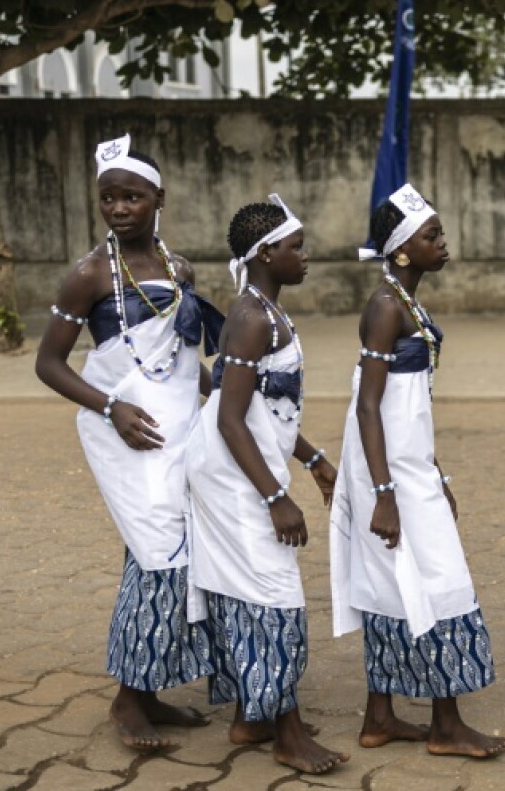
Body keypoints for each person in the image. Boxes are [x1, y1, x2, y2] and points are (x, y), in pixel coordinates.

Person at [35, 134, 224, 751]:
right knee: (159, 554)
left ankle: (146, 692)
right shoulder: (90, 274)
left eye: (132, 197)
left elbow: (182, 358)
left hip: (178, 431)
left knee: (167, 556)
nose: (118, 208)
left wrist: (223, 396)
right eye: (108, 198)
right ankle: (126, 701)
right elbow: (48, 364)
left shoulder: (179, 268)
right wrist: (111, 407)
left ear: (158, 199)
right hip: (126, 434)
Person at [328, 185, 505, 759]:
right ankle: (446, 727)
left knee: (392, 583)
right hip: (385, 472)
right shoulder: (385, 308)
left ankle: (379, 719)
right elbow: (367, 406)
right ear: (403, 250)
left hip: (407, 464)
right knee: (439, 581)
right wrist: (384, 494)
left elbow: (409, 407)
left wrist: (436, 472)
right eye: (432, 235)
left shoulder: (405, 302)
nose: (443, 242)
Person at [186, 195, 347, 775]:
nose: (305, 256)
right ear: (264, 254)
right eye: (294, 247)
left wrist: (313, 459)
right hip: (231, 477)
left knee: (251, 590)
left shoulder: (268, 312)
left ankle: (251, 718)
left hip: (246, 466)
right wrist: (277, 499)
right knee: (275, 595)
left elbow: (267, 409)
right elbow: (229, 419)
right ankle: (287, 733)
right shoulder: (252, 318)